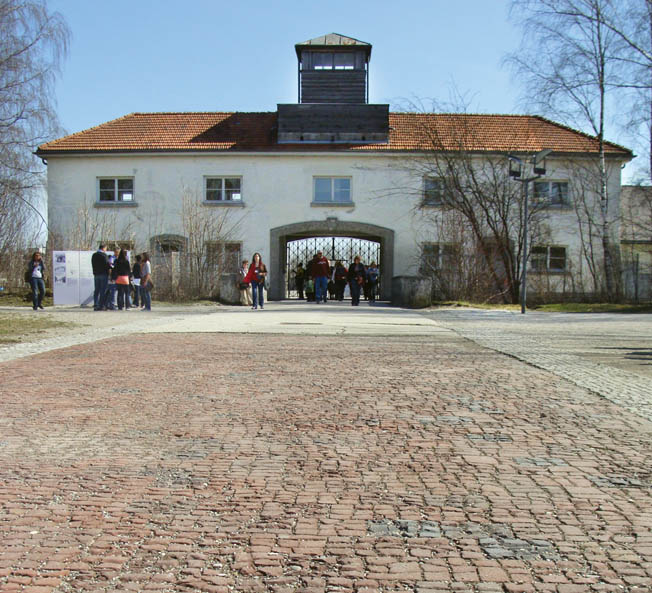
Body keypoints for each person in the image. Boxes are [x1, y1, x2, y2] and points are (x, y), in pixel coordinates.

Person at [91, 243, 110, 311]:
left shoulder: (94, 255)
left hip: (96, 275)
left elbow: (92, 264)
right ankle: (101, 305)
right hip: (103, 274)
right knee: (103, 290)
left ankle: (95, 304)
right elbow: (107, 265)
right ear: (103, 248)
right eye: (106, 248)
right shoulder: (104, 255)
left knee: (96, 290)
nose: (106, 250)